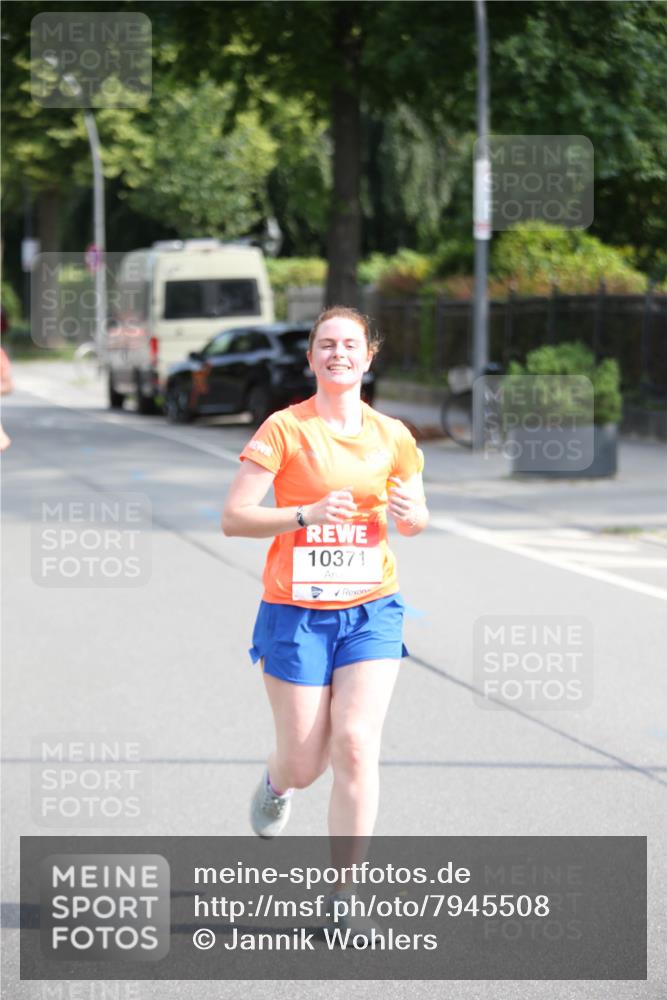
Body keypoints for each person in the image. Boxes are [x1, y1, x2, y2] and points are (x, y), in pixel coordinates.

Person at [222, 305, 428, 919]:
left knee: (358, 744)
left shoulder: (394, 435)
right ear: (311, 358)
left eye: (351, 344)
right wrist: (306, 515)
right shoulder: (284, 429)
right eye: (326, 344)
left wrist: (413, 519)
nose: (339, 353)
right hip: (296, 612)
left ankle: (345, 894)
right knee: (306, 761)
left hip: (371, 609)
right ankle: (277, 782)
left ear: (369, 357)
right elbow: (235, 518)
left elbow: (415, 516)